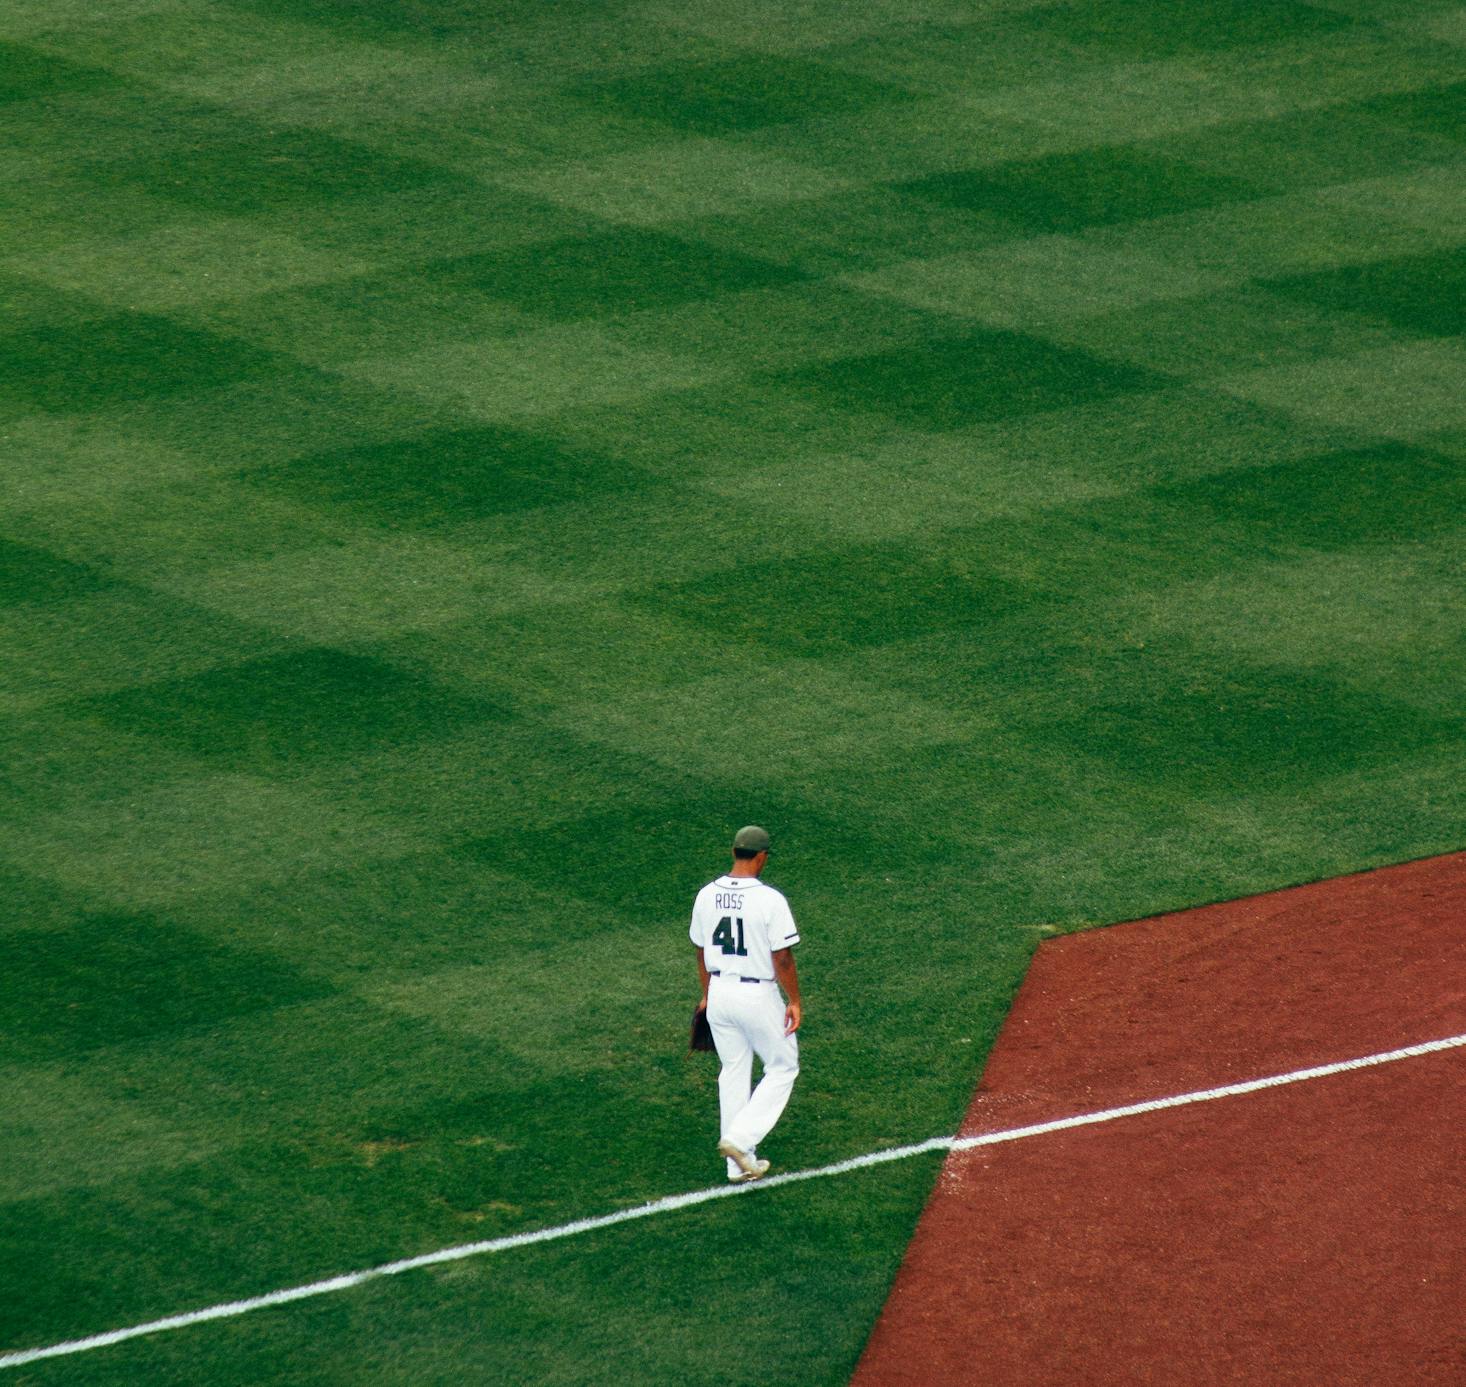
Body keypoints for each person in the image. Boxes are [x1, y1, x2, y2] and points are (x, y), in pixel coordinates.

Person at [690, 824, 802, 1182]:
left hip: (720, 991)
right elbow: (782, 958)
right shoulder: (770, 899)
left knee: (734, 1070)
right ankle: (740, 1140)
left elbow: (700, 951)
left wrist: (708, 995)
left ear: (734, 852)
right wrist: (795, 1000)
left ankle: (737, 1164)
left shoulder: (706, 895)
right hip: (756, 994)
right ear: (761, 857)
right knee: (784, 1065)